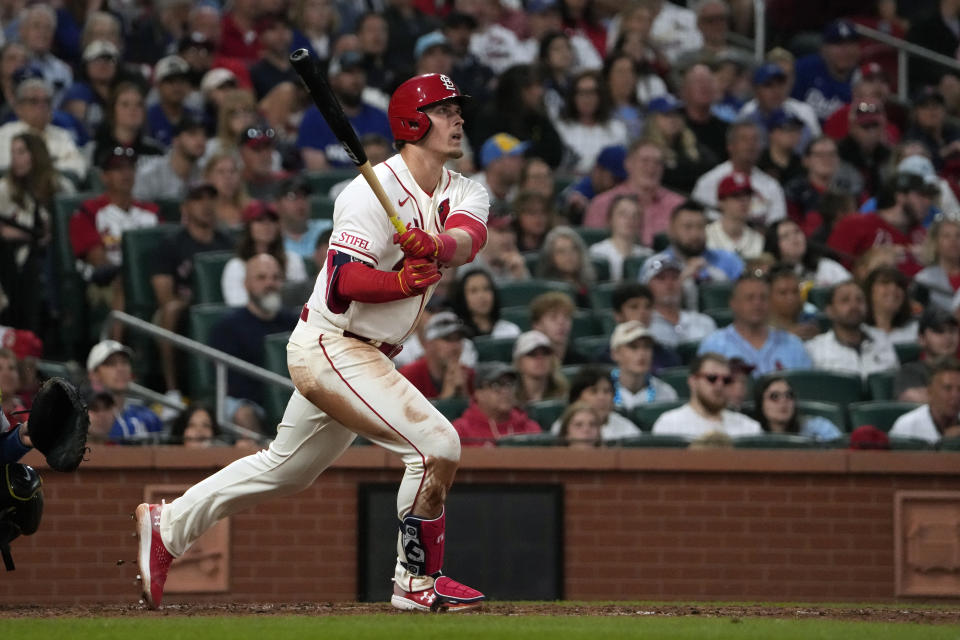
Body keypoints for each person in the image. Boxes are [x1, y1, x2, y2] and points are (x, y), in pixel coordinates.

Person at [136, 73, 488, 613]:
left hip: (369, 354)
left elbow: (467, 238)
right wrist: (399, 280)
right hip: (332, 343)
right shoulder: (369, 192)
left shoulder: (465, 187)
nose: (458, 118)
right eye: (444, 110)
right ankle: (415, 581)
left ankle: (169, 526)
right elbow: (344, 282)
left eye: (456, 109)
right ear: (413, 122)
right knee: (437, 446)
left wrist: (434, 244)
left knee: (286, 468)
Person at [150, 182, 234, 396]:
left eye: (210, 198)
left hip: (223, 305)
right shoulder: (170, 245)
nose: (206, 205)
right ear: (185, 207)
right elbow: (164, 297)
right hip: (184, 310)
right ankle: (172, 389)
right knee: (169, 311)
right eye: (198, 199)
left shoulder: (228, 242)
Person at [209, 254, 299, 435]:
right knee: (242, 413)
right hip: (252, 402)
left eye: (275, 278)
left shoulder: (296, 322)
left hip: (292, 398)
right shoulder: (228, 327)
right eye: (261, 277)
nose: (270, 284)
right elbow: (230, 384)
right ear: (246, 284)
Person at [69, 146, 158, 319]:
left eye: (130, 168)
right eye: (118, 169)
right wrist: (130, 275)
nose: (126, 174)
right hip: (105, 282)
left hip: (149, 278)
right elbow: (98, 260)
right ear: (104, 176)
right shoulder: (88, 212)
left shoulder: (151, 211)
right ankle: (116, 344)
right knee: (123, 284)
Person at [0, 132, 73, 330]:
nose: (16, 159)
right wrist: (26, 236)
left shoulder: (60, 186)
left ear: (36, 154)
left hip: (53, 252)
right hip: (14, 256)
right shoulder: (5, 189)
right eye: (13, 153)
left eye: (22, 152)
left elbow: (67, 227)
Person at [697, 274, 813, 376]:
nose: (757, 303)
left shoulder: (793, 344)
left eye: (763, 298)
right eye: (750, 298)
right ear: (733, 303)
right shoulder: (714, 345)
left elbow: (804, 391)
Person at [296, 51, 393, 170]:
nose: (356, 78)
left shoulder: (380, 117)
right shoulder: (314, 118)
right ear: (333, 79)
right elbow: (317, 172)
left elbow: (392, 163)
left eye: (360, 72)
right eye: (349, 72)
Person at [582, 140, 685, 246]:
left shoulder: (678, 205)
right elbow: (593, 247)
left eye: (657, 162)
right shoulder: (602, 204)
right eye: (645, 161)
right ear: (628, 164)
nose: (651, 167)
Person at [646, 202, 744, 308]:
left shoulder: (728, 259)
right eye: (688, 227)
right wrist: (684, 277)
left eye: (700, 226)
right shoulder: (656, 264)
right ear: (671, 230)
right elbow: (647, 304)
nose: (695, 234)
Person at [827, 176, 929, 277]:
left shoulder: (923, 234)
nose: (927, 202)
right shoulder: (856, 223)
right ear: (900, 196)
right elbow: (832, 269)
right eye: (921, 196)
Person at [691, 120, 786, 226]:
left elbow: (777, 226)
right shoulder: (708, 182)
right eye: (744, 139)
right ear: (730, 146)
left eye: (755, 140)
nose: (751, 145)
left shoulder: (772, 186)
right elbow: (699, 220)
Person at [651, 352, 762, 438]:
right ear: (693, 381)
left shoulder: (749, 428)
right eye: (712, 378)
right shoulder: (669, 424)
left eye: (726, 380)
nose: (719, 385)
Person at [805, 280, 899, 379]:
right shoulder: (815, 349)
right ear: (830, 310)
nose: (854, 306)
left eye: (859, 300)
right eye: (845, 300)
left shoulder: (882, 340)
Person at [221, 201, 307, 307]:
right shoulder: (236, 266)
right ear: (248, 227)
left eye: (272, 220)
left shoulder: (292, 260)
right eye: (260, 220)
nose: (267, 226)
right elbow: (237, 305)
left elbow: (301, 300)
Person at [0, 77, 86, 179]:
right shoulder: (5, 134)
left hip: (59, 188)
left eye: (47, 101)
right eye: (34, 101)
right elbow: (8, 168)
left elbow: (79, 167)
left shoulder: (61, 134)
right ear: (19, 108)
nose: (42, 106)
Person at [85, 339, 164, 443]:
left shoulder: (149, 416)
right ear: (94, 375)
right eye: (111, 364)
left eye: (124, 362)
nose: (120, 368)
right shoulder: (88, 418)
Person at [553, 70, 628, 176]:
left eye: (591, 93)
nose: (587, 99)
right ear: (573, 97)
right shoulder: (560, 128)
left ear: (600, 96)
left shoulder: (617, 129)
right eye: (581, 93)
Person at [643, 93, 718, 194]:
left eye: (677, 114)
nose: (673, 119)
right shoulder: (646, 148)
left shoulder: (691, 144)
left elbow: (712, 166)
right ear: (653, 119)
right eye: (667, 115)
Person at [453, 361, 541, 446]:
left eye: (509, 384)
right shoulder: (461, 431)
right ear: (478, 393)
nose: (506, 391)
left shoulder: (530, 428)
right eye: (496, 385)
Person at [791, 20, 860, 122]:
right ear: (823, 49)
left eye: (850, 44)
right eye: (838, 44)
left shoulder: (865, 78)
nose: (845, 51)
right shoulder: (803, 69)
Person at [641, 257, 716, 349]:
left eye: (675, 278)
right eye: (661, 278)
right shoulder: (644, 325)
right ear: (647, 286)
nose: (669, 284)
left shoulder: (704, 322)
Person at [397, 311, 474, 401]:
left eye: (458, 339)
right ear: (429, 344)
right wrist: (445, 398)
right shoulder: (408, 377)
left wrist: (463, 392)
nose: (455, 346)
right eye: (448, 339)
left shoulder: (468, 375)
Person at [549, 366, 640, 441]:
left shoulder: (628, 429)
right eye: (593, 391)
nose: (602, 397)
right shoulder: (562, 427)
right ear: (577, 398)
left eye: (607, 391)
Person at [133, 116, 207, 202]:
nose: (200, 140)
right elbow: (137, 208)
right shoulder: (150, 173)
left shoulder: (204, 173)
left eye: (204, 135)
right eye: (192, 134)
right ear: (176, 141)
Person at [91, 82, 165, 166]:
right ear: (112, 110)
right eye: (125, 104)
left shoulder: (155, 151)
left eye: (139, 105)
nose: (133, 109)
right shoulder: (95, 150)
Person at [894, 308, 960, 403]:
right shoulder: (910, 371)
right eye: (939, 331)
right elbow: (911, 397)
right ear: (921, 338)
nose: (948, 337)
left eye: (952, 331)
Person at [609, 321, 677, 411]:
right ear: (615, 353)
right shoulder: (602, 392)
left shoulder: (665, 393)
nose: (642, 353)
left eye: (647, 347)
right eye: (633, 347)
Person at [890, 358, 960, 444]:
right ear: (930, 391)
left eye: (959, 389)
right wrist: (946, 442)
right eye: (947, 388)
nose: (956, 395)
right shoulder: (907, 427)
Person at [752, 375, 843, 441]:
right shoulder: (751, 431)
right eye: (775, 396)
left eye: (789, 395)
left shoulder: (819, 429)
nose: (784, 401)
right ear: (761, 404)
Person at [763, 219, 851, 287]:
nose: (794, 238)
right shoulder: (770, 275)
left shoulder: (826, 266)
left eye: (797, 232)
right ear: (774, 244)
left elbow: (850, 286)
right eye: (785, 235)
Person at [587, 195, 651, 281]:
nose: (630, 220)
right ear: (610, 219)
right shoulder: (596, 253)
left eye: (635, 215)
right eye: (623, 214)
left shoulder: (647, 256)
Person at [705, 171, 765, 260]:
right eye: (736, 196)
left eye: (747, 195)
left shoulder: (759, 240)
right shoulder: (706, 235)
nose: (744, 201)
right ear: (721, 202)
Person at [449, 269, 521, 339]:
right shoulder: (458, 336)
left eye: (486, 289)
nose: (481, 296)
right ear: (462, 297)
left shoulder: (510, 331)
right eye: (473, 291)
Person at [145, 55, 198, 149]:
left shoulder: (196, 117)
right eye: (170, 81)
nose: (177, 87)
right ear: (158, 85)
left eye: (182, 81)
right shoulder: (146, 117)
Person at [535, 227, 596, 308]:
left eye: (573, 249)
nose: (569, 256)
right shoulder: (545, 291)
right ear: (550, 257)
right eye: (561, 251)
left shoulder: (591, 285)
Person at [469, 205, 529, 282]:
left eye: (511, 231)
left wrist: (520, 276)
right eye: (501, 231)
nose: (508, 238)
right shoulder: (469, 264)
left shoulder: (517, 263)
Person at [863, 266, 918, 345]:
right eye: (885, 282)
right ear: (870, 291)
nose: (893, 288)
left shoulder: (914, 331)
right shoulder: (857, 331)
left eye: (899, 285)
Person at [471, 133, 528, 208]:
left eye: (521, 158)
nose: (522, 163)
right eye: (514, 157)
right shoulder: (470, 193)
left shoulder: (517, 192)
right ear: (494, 163)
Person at [530, 291, 587, 365]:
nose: (561, 323)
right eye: (553, 317)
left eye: (566, 317)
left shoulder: (582, 362)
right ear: (537, 325)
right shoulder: (529, 363)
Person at [513, 330, 567, 407]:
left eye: (545, 353)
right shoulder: (511, 398)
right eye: (532, 354)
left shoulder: (563, 394)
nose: (540, 358)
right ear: (519, 362)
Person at [916, 218, 960, 312]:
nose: (953, 240)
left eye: (958, 235)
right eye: (946, 236)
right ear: (935, 243)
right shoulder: (923, 280)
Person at [767, 265, 821, 341]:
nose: (790, 298)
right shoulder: (759, 325)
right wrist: (787, 337)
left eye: (795, 292)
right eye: (783, 293)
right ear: (768, 295)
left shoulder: (810, 320)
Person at [203, 152, 251, 232]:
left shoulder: (250, 208)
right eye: (221, 172)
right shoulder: (201, 209)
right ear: (208, 178)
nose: (228, 177)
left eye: (232, 172)